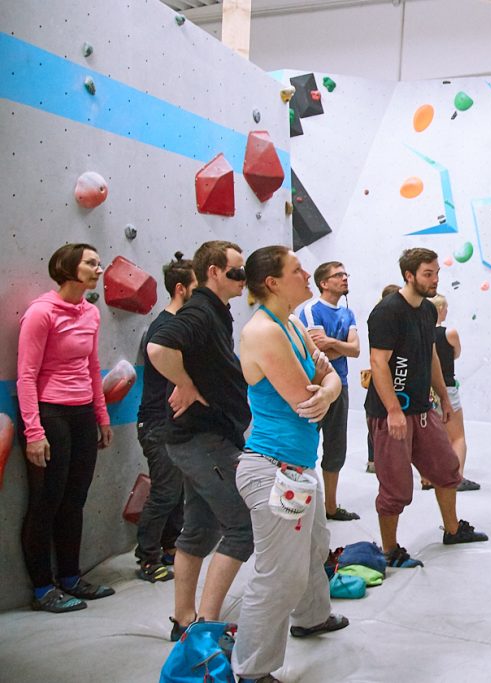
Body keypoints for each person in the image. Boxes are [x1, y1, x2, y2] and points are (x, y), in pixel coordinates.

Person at [233, 246, 349, 683]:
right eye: (297, 270)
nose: (307, 275)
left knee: (317, 548)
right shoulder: (263, 332)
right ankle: (252, 669)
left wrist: (329, 390)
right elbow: (306, 398)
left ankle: (312, 616)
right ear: (273, 283)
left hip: (299, 467)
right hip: (274, 470)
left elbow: (330, 376)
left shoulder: (293, 325)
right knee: (278, 574)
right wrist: (324, 391)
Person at [147, 240, 253, 640]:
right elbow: (158, 346)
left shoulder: (216, 312)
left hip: (202, 438)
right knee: (242, 528)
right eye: (236, 272)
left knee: (199, 531)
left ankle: (184, 620)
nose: (243, 279)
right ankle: (206, 628)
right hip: (201, 441)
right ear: (213, 271)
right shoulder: (201, 310)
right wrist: (186, 383)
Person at [365, 248, 488, 568]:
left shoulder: (427, 312)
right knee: (396, 488)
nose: (434, 279)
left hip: (423, 410)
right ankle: (390, 551)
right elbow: (378, 363)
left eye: (436, 273)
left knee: (447, 471)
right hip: (390, 413)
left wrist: (444, 398)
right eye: (428, 274)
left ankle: (452, 529)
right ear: (409, 275)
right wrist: (392, 409)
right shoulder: (387, 312)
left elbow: (430, 356)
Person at [16, 243, 115, 613]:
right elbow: (25, 376)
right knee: (46, 502)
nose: (99, 269)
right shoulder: (41, 313)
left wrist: (101, 417)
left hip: (82, 414)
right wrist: (34, 432)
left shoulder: (90, 312)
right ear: (68, 268)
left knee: (75, 500)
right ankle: (43, 588)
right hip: (50, 414)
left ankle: (71, 577)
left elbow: (92, 368)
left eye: (99, 263)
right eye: (91, 263)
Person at [133, 253, 197, 582]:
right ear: (181, 289)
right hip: (158, 421)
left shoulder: (181, 324)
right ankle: (147, 557)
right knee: (165, 491)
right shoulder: (166, 327)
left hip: (172, 421)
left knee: (177, 490)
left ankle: (170, 545)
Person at [297, 260, 360, 522]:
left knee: (336, 448)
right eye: (338, 275)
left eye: (345, 274)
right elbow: (316, 352)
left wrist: (333, 343)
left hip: (341, 385)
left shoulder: (349, 313)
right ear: (324, 283)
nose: (344, 278)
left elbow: (355, 350)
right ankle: (298, 505)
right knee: (304, 445)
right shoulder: (311, 310)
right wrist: (340, 346)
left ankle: (330, 508)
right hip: (315, 386)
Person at [424, 294, 479, 492]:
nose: (447, 310)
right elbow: (456, 354)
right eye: (445, 307)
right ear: (439, 309)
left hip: (424, 390)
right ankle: (456, 478)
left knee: (432, 435)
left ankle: (430, 476)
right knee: (457, 437)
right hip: (446, 387)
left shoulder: (421, 332)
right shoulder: (450, 333)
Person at [364, 283, 401, 476]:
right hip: (385, 382)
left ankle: (373, 460)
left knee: (374, 421)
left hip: (381, 384)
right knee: (377, 421)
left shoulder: (381, 316)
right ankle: (377, 461)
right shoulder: (383, 318)